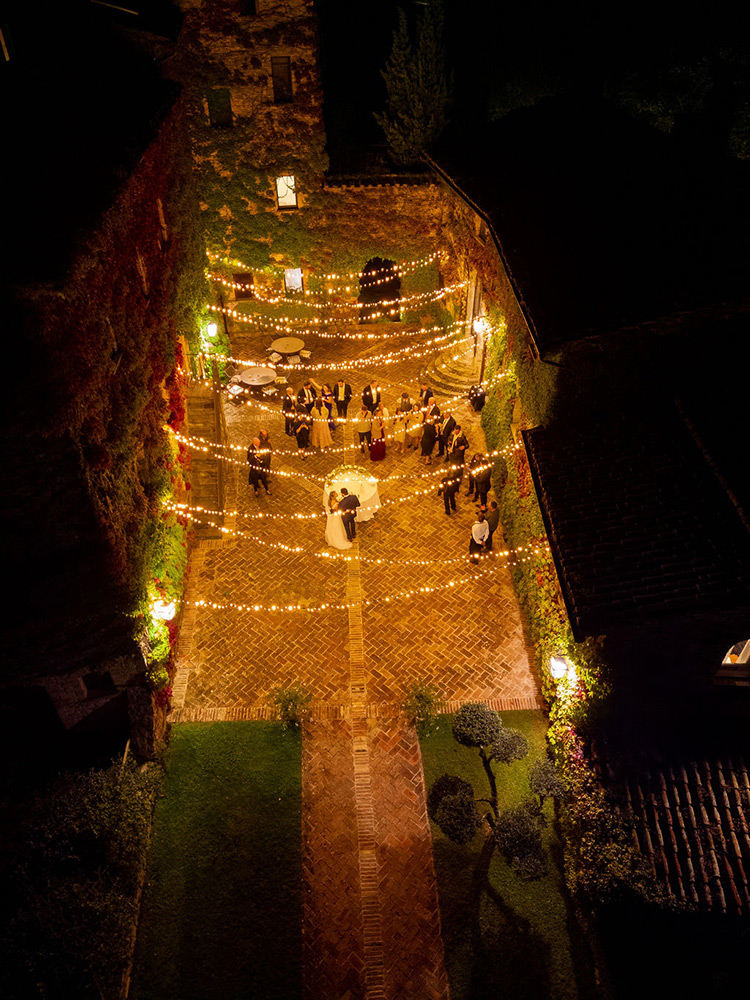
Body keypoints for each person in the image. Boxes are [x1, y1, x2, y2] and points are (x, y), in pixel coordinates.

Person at [258, 429, 272, 494]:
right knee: (264, 466)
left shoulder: (267, 437)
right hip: (263, 455)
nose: (266, 435)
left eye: (266, 434)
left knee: (268, 464)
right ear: (261, 435)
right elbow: (261, 446)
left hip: (267, 454)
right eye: (264, 435)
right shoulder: (259, 440)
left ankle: (267, 474)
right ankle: (265, 478)